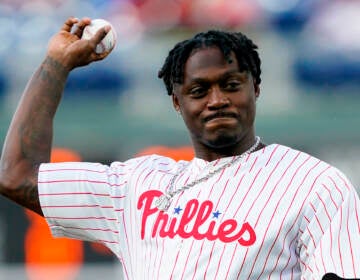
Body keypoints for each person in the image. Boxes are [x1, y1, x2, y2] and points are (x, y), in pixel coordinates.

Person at [0, 16, 359, 280]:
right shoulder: (136, 184)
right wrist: (57, 64)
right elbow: (16, 175)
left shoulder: (315, 184)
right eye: (199, 91)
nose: (217, 100)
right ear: (177, 102)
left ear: (256, 88)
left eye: (231, 84)